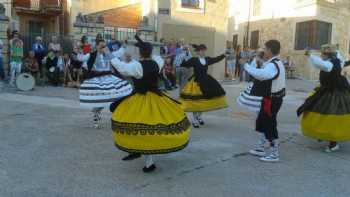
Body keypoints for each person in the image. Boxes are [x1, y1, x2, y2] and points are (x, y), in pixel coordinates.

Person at [110, 35, 191, 173]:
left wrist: (110, 54)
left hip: (140, 98)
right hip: (155, 98)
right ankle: (138, 152)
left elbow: (121, 67)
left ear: (140, 53)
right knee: (145, 128)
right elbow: (156, 57)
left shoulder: (136, 66)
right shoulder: (157, 63)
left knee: (140, 126)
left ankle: (148, 161)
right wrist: (147, 49)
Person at [297, 44, 350, 153]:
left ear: (327, 55)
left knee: (332, 117)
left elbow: (320, 64)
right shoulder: (336, 60)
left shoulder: (329, 64)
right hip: (328, 91)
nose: (321, 55)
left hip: (335, 94)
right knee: (321, 114)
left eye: (322, 54)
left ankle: (333, 143)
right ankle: (324, 135)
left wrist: (309, 55)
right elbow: (341, 60)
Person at [244, 40, 286, 162]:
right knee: (262, 121)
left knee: (269, 124)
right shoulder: (274, 62)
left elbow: (262, 75)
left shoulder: (273, 65)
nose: (264, 51)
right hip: (270, 99)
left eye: (265, 49)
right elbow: (263, 69)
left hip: (272, 100)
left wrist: (245, 66)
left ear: (270, 50)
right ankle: (261, 147)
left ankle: (274, 153)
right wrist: (257, 60)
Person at [78, 39, 133, 129]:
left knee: (109, 97)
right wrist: (79, 51)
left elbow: (118, 53)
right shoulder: (92, 55)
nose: (104, 48)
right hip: (96, 79)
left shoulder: (108, 54)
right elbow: (81, 58)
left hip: (108, 78)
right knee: (101, 97)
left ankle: (97, 111)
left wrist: (124, 45)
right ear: (97, 46)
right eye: (101, 46)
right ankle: (96, 113)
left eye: (104, 46)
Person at [179, 44, 228, 128]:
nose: (203, 52)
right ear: (197, 52)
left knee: (205, 99)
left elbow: (215, 59)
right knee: (196, 102)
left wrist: (224, 55)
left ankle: (198, 116)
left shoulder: (207, 59)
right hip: (196, 82)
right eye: (201, 50)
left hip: (206, 81)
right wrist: (184, 55)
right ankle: (194, 119)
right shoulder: (194, 60)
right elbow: (184, 64)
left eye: (204, 50)